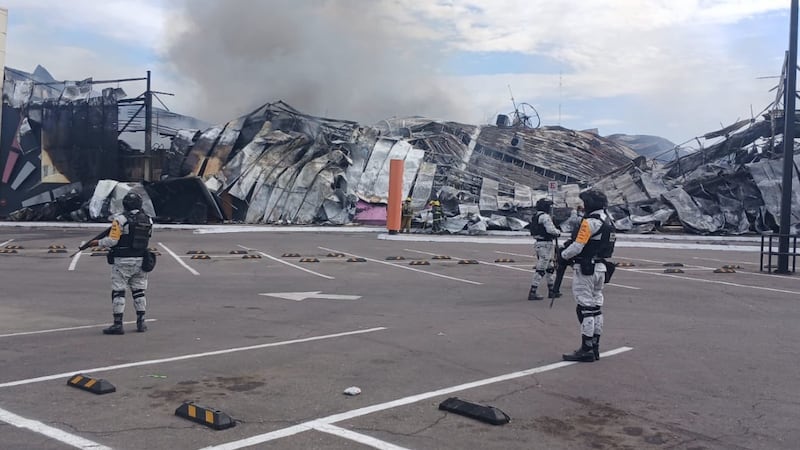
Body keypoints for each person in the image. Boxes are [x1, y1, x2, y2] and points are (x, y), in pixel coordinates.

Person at [559, 189, 616, 362]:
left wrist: (562, 255)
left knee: (585, 309)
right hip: (601, 268)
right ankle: (595, 346)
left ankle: (586, 348)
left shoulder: (589, 222)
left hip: (585, 268)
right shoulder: (609, 220)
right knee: (596, 308)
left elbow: (577, 246)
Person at [89, 191, 154, 335]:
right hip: (141, 260)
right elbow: (149, 236)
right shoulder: (148, 220)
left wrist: (98, 242)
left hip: (122, 260)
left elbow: (112, 241)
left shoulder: (120, 220)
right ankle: (141, 322)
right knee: (139, 291)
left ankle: (118, 324)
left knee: (119, 292)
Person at [528, 198, 561, 300]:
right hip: (545, 244)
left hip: (540, 243)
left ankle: (552, 290)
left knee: (549, 268)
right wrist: (558, 232)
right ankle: (533, 291)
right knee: (541, 269)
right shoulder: (545, 217)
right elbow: (550, 230)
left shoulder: (536, 216)